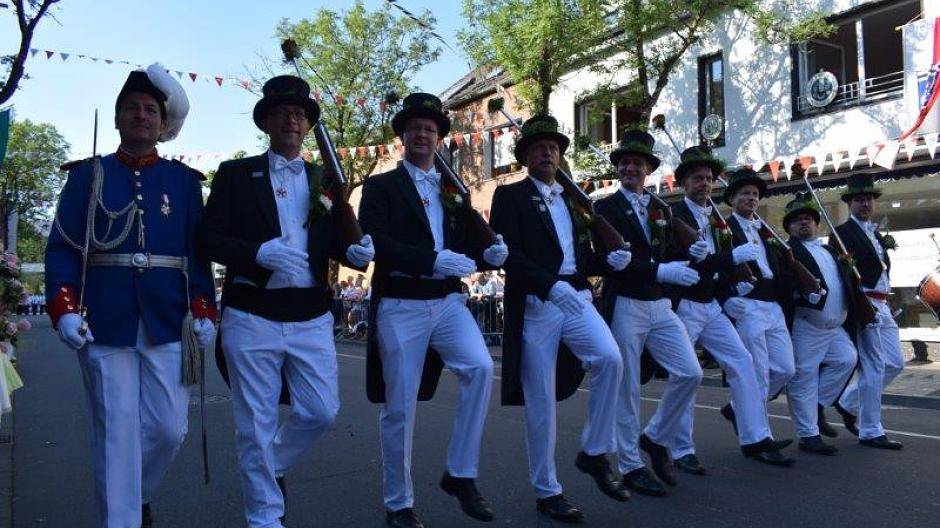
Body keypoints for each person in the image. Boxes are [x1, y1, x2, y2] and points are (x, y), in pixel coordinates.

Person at [196, 74, 374, 528]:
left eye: (298, 114)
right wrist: (256, 253)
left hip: (310, 314)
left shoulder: (324, 180)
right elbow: (207, 238)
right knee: (254, 421)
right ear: (266, 122)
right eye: (281, 113)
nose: (291, 120)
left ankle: (269, 466)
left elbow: (330, 241)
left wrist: (352, 251)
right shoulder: (236, 174)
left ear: (307, 125)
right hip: (252, 312)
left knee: (320, 411)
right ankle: (264, 517)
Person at [45, 64, 216, 528]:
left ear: (163, 124)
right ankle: (122, 518)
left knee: (169, 429)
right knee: (117, 431)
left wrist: (203, 306)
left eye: (150, 110)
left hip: (168, 318)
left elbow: (196, 254)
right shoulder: (88, 175)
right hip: (104, 317)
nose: (141, 116)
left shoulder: (184, 182)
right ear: (117, 119)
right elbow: (63, 246)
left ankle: (135, 494)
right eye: (132, 109)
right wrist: (63, 307)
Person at [358, 92, 508, 528]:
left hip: (446, 302)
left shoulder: (453, 189)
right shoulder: (381, 186)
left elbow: (463, 245)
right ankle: (398, 503)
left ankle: (460, 473)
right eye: (415, 128)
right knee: (400, 406)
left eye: (430, 128)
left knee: (480, 367)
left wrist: (489, 254)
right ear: (403, 137)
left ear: (440, 138)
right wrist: (430, 260)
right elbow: (376, 241)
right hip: (401, 302)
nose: (422, 134)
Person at [490, 115, 628, 523]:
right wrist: (548, 285)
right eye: (539, 148)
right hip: (538, 302)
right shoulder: (510, 195)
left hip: (577, 295)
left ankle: (595, 450)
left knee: (610, 359)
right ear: (525, 156)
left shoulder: (574, 200)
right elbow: (507, 255)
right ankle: (547, 490)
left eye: (553, 147)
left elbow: (581, 256)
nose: (547, 153)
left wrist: (609, 261)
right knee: (541, 401)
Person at [667, 146, 793, 468]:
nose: (705, 184)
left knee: (743, 363)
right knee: (686, 376)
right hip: (686, 304)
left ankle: (755, 437)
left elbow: (719, 267)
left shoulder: (714, 217)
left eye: (709, 179)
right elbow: (677, 259)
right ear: (683, 183)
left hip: (711, 304)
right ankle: (681, 449)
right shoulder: (672, 216)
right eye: (697, 178)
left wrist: (733, 287)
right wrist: (729, 258)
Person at [594, 132, 703, 495]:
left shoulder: (660, 207)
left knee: (690, 372)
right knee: (627, 388)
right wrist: (661, 270)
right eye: (625, 162)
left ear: (648, 170)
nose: (630, 168)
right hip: (626, 302)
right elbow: (612, 260)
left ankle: (655, 437)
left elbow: (669, 251)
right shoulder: (605, 208)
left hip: (659, 304)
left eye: (637, 163)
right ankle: (630, 466)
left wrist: (692, 253)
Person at [720, 167, 796, 464]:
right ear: (732, 199)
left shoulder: (766, 230)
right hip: (748, 304)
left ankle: (738, 408)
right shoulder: (723, 229)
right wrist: (728, 295)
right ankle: (760, 440)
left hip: (773, 305)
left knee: (786, 369)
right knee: (759, 375)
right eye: (744, 193)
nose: (751, 198)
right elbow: (718, 265)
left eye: (754, 194)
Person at [832, 175, 904, 450]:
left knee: (895, 363)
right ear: (850, 203)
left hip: (883, 304)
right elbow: (842, 275)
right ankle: (871, 430)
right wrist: (858, 306)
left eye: (869, 199)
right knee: (873, 366)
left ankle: (848, 402)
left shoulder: (875, 233)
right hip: (865, 304)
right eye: (859, 199)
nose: (865, 204)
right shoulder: (842, 233)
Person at [781, 196, 857, 455]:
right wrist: (800, 294)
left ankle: (818, 405)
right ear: (789, 227)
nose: (804, 223)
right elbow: (785, 283)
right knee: (804, 377)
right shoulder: (787, 252)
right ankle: (808, 435)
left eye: (808, 219)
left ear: (817, 225)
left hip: (835, 327)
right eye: (797, 220)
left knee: (846, 359)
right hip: (808, 325)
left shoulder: (830, 251)